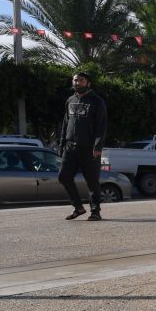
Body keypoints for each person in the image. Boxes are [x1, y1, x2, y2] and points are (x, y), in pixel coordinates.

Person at [58, 72, 107, 221]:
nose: (77, 83)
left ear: (88, 83)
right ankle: (78, 207)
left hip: (89, 149)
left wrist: (97, 147)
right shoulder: (70, 100)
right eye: (75, 80)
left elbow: (101, 126)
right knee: (63, 177)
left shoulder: (97, 101)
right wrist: (62, 144)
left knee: (92, 181)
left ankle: (95, 211)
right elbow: (65, 123)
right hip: (70, 147)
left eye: (81, 80)